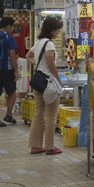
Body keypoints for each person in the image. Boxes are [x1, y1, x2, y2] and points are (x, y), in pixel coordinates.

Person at [28, 17, 64, 155]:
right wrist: (58, 80)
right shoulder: (49, 44)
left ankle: (35, 146)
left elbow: (28, 55)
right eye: (58, 30)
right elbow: (51, 64)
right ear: (52, 30)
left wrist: (38, 65)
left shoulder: (38, 42)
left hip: (38, 82)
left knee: (38, 114)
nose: (58, 33)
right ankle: (50, 147)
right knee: (51, 115)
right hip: (49, 83)